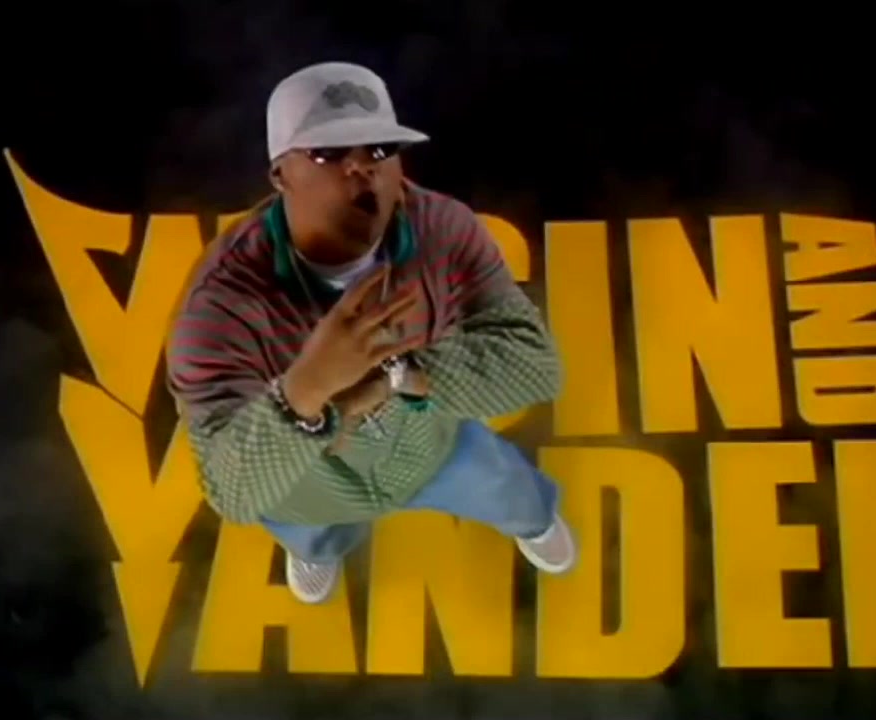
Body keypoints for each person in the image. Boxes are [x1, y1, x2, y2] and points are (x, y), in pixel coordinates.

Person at [166, 61, 576, 604]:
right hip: (314, 481)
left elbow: (537, 365)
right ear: (280, 174)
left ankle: (534, 522)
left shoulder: (442, 227)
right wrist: (308, 388)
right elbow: (234, 491)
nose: (361, 167)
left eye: (380, 148)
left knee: (511, 491)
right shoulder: (219, 302)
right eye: (327, 153)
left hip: (431, 445)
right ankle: (316, 549)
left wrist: (398, 371)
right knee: (307, 526)